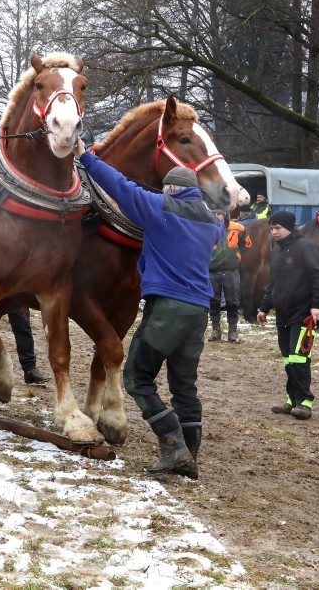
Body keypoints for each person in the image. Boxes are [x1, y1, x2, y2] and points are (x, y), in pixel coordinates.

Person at [77, 141, 222, 479]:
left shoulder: (162, 208)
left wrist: (87, 157)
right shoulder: (211, 222)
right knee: (184, 386)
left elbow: (121, 188)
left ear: (171, 189)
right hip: (199, 311)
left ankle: (173, 447)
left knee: (137, 378)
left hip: (168, 309)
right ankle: (190, 455)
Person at [256, 211, 319, 420]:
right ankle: (292, 399)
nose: (274, 232)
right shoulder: (277, 251)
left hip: (302, 314)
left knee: (299, 358)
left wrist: (317, 305)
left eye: (278, 228)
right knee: (288, 359)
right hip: (283, 314)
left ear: (289, 226)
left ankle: (305, 402)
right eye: (271, 228)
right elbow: (273, 284)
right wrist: (264, 308)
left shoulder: (305, 247)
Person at [208, 209, 251, 343]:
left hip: (231, 271)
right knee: (213, 301)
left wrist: (236, 255)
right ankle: (215, 329)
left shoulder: (239, 228)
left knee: (233, 302)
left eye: (219, 213)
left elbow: (247, 244)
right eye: (214, 214)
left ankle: (232, 331)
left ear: (225, 214)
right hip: (212, 271)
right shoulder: (207, 228)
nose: (217, 216)